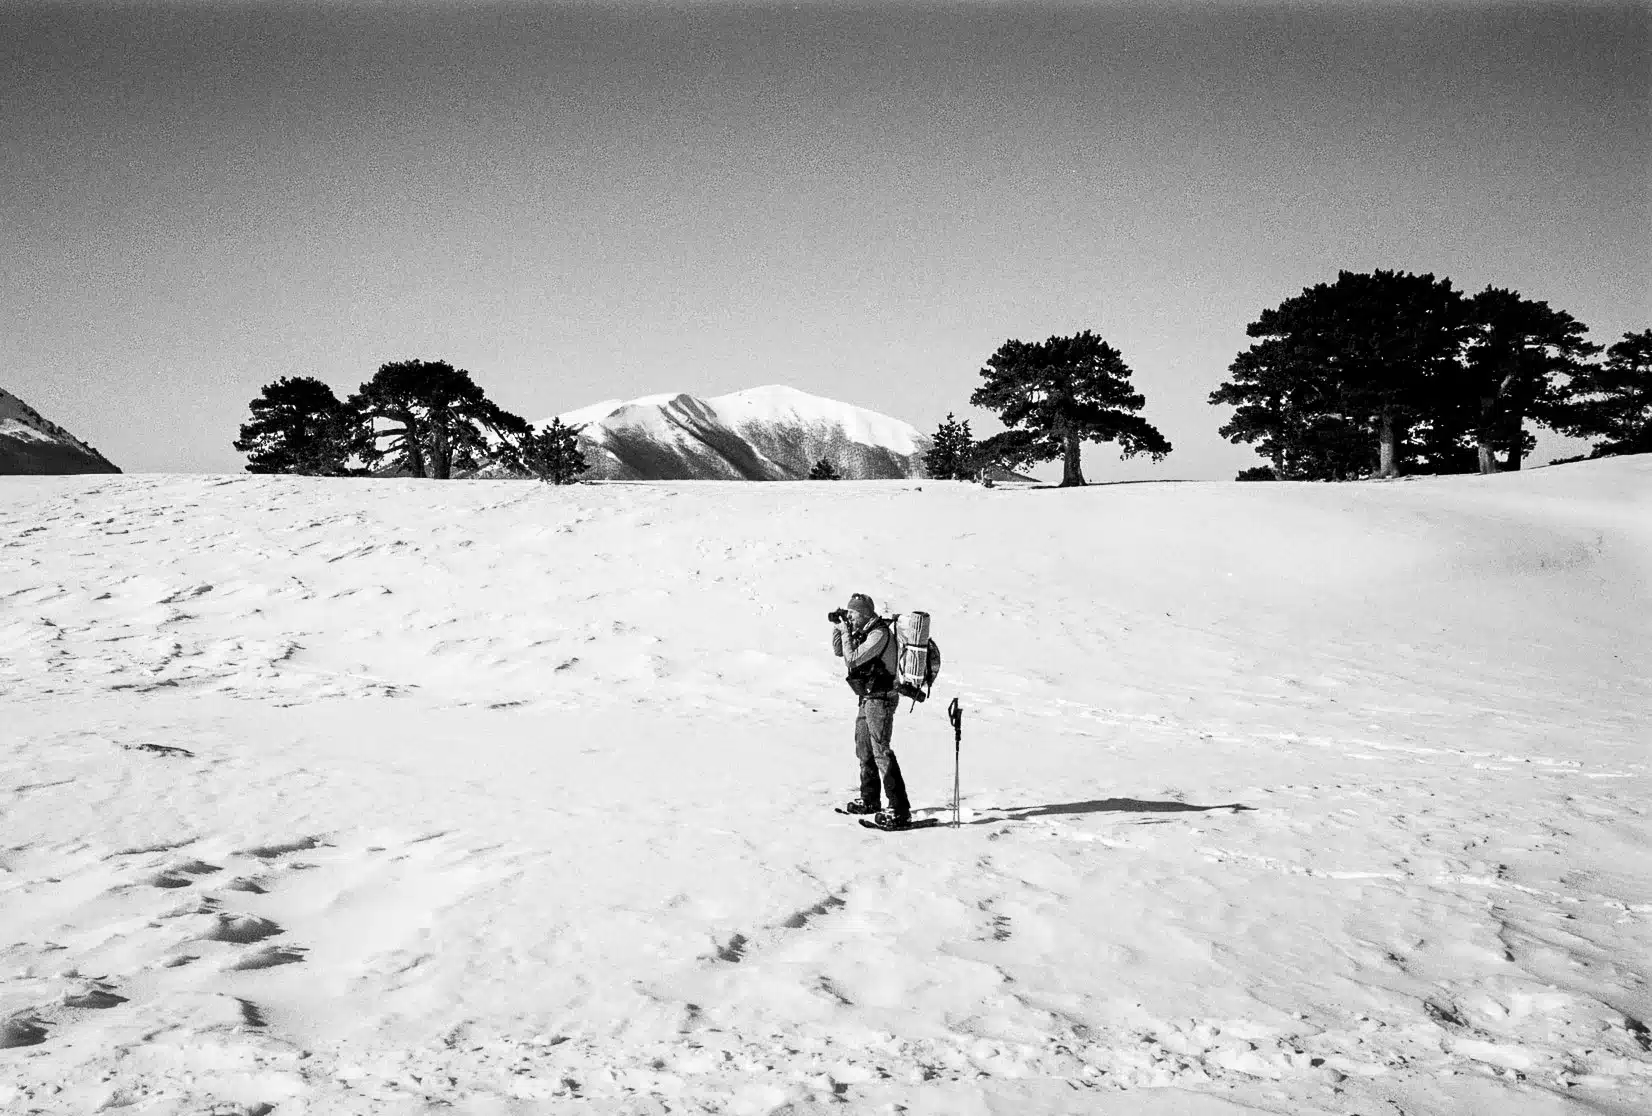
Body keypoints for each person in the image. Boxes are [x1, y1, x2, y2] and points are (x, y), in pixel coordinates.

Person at [831, 592, 911, 829]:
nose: (850, 618)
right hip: (867, 697)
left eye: (853, 614)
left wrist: (846, 632)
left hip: (881, 699)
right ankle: (870, 798)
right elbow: (839, 651)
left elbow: (852, 660)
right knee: (863, 748)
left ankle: (899, 808)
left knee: (880, 751)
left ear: (865, 614)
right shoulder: (863, 631)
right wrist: (839, 627)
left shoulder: (878, 634)